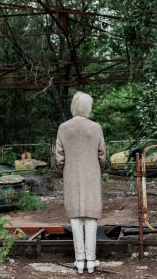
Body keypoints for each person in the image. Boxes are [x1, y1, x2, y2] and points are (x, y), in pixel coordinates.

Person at [55, 91, 106, 274]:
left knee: (76, 218)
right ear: (88, 107)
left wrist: (66, 167)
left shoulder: (63, 127)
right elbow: (102, 154)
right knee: (91, 218)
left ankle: (79, 260)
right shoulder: (96, 127)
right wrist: (96, 166)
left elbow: (59, 157)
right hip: (92, 175)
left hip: (72, 176)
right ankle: (91, 261)